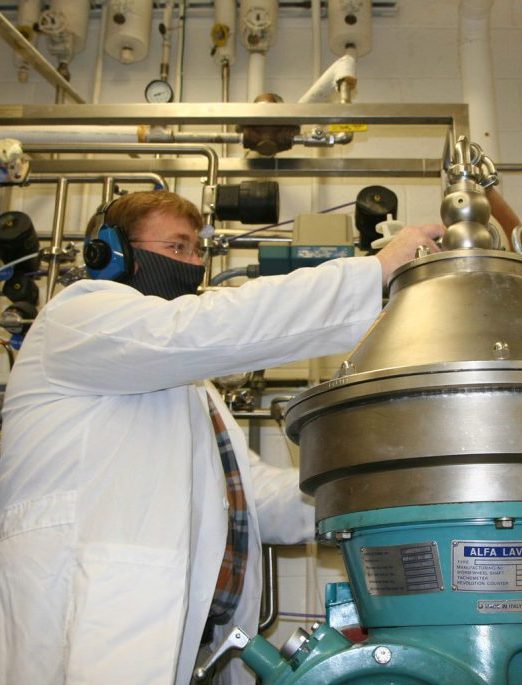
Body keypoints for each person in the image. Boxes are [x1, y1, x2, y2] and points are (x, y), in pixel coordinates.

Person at [0, 190, 444, 685]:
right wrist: (374, 270)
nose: (193, 264)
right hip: (83, 607)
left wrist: (379, 492)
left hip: (187, 635)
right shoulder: (78, 320)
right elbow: (205, 328)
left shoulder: (193, 391)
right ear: (111, 253)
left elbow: (257, 498)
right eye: (177, 248)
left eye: (197, 251)